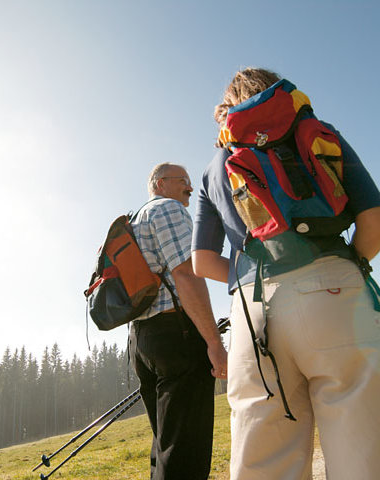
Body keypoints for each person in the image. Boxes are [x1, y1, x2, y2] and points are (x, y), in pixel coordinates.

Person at [192, 68, 380, 479]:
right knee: (362, 453)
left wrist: (248, 279)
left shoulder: (215, 166)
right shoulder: (316, 132)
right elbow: (374, 220)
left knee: (263, 460)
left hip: (252, 313)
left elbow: (201, 262)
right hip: (334, 291)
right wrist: (350, 267)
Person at [129, 162, 227, 480]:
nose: (189, 187)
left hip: (141, 339)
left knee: (166, 445)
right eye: (182, 180)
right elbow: (186, 272)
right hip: (177, 333)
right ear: (159, 184)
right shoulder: (168, 209)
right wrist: (214, 342)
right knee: (185, 451)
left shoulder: (134, 220)